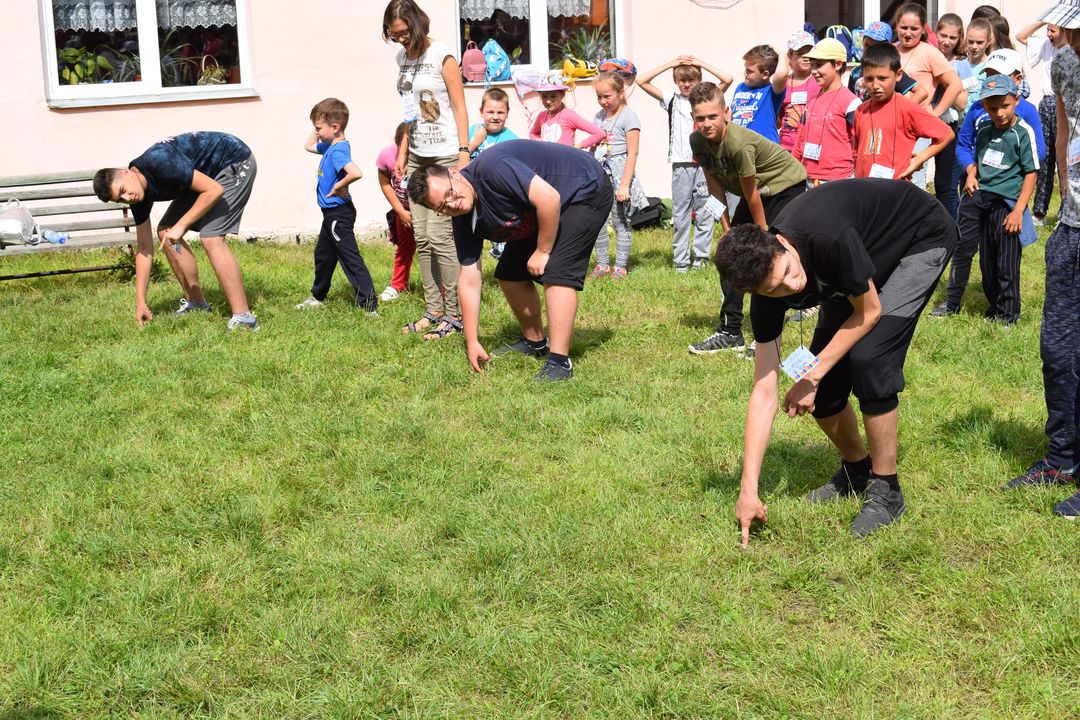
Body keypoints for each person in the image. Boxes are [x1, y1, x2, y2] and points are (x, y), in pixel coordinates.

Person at [715, 179, 957, 545]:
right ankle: (857, 471)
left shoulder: (826, 237)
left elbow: (870, 311)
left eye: (787, 272)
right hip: (858, 259)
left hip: (920, 234)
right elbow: (764, 391)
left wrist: (811, 375)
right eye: (775, 289)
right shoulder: (766, 291)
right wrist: (748, 489)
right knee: (826, 390)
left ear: (782, 243)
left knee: (870, 358)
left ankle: (887, 490)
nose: (791, 287)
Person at [406, 140, 614, 382]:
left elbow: (549, 198)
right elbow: (470, 279)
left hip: (584, 188)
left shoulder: (493, 169)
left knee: (557, 273)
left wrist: (543, 251)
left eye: (449, 193)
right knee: (510, 273)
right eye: (442, 207)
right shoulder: (462, 218)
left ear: (455, 174)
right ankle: (535, 342)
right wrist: (472, 341)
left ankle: (559, 363)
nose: (452, 204)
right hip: (542, 208)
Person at [1007, 1, 1080, 520]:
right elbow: (1064, 132)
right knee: (1058, 352)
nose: (1070, 41)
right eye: (1068, 30)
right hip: (1071, 229)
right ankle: (1063, 459)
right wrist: (1064, 200)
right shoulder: (1066, 63)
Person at [684, 81, 807, 357]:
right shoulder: (697, 141)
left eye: (713, 116)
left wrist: (764, 236)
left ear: (726, 113)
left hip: (785, 186)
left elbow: (752, 195)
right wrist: (726, 229)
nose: (706, 123)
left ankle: (767, 335)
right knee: (731, 255)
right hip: (756, 194)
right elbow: (714, 187)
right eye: (700, 118)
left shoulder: (738, 144)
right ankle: (730, 331)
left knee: (768, 258)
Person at [92, 131, 259, 330]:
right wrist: (141, 301)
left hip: (234, 161)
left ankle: (244, 318)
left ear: (126, 173)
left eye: (123, 191)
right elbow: (144, 249)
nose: (127, 198)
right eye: (120, 199)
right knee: (166, 231)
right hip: (205, 175)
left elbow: (214, 190)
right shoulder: (137, 195)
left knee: (211, 237)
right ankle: (196, 303)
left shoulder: (160, 163)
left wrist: (181, 226)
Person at [930, 49, 1046, 318]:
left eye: (999, 76)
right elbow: (964, 146)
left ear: (1016, 83)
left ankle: (1006, 311)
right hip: (977, 191)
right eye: (988, 76)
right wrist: (971, 170)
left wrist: (1017, 204)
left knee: (1003, 257)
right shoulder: (979, 113)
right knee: (965, 247)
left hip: (1005, 198)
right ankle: (953, 302)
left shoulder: (1026, 116)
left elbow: (1035, 159)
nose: (992, 82)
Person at [384, 0, 468, 340]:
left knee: (441, 237)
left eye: (404, 32)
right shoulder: (402, 59)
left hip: (445, 155)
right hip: (418, 157)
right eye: (394, 34)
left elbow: (460, 108)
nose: (401, 39)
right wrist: (403, 150)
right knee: (421, 236)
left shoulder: (442, 56)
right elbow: (410, 111)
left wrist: (463, 152)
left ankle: (456, 315)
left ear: (418, 24)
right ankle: (433, 310)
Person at [638, 54, 732, 273]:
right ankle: (680, 261)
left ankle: (701, 258)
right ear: (676, 81)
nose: (687, 84)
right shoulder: (671, 99)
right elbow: (642, 81)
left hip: (705, 163)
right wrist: (671, 64)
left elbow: (727, 79)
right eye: (682, 80)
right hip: (682, 164)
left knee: (706, 210)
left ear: (699, 79)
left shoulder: (706, 100)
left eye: (692, 79)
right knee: (681, 213)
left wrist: (700, 63)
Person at [961, 76, 1038, 325]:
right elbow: (979, 160)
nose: (999, 113)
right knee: (987, 263)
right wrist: (971, 174)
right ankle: (994, 307)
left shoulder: (1022, 132)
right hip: (983, 202)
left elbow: (1031, 173)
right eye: (992, 108)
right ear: (984, 106)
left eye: (1005, 106)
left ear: (1016, 100)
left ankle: (1008, 315)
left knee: (1007, 264)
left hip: (1008, 206)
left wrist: (1018, 211)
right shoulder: (984, 130)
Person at [294, 98, 377, 313]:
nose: (316, 132)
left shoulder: (338, 150)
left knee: (349, 257)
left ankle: (369, 306)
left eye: (319, 128)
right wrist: (317, 125)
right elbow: (308, 146)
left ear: (335, 127)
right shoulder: (330, 146)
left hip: (338, 215)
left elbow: (356, 172)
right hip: (331, 215)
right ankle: (318, 296)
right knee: (324, 255)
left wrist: (338, 186)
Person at [851, 43, 953, 180]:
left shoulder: (907, 108)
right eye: (869, 79)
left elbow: (946, 135)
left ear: (898, 75)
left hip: (895, 188)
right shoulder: (861, 111)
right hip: (864, 187)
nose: (875, 85)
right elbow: (856, 151)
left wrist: (918, 159)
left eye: (882, 78)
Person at [893, 3, 964, 189]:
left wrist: (935, 113)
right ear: (896, 26)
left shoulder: (929, 52)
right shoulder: (890, 51)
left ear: (923, 29)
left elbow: (955, 85)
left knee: (913, 178)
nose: (908, 33)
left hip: (916, 125)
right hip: (892, 123)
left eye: (914, 28)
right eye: (904, 27)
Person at [590, 71, 647, 281]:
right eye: (599, 97)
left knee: (620, 221)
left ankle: (620, 267)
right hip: (601, 174)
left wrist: (624, 185)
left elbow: (633, 153)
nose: (603, 101)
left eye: (607, 96)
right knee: (598, 221)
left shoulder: (628, 116)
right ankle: (602, 264)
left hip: (619, 175)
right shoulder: (598, 117)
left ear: (621, 93)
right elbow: (594, 146)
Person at [1017, 19, 1066, 227]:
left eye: (1052, 30)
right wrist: (1044, 19)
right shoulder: (1046, 45)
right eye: (1047, 30)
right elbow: (1021, 36)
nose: (1048, 34)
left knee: (1064, 160)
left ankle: (1065, 212)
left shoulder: (1072, 50)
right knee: (1044, 157)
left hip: (1065, 103)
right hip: (1047, 103)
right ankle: (1039, 211)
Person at [792, 38, 861, 185]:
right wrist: (793, 166)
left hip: (837, 180)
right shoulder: (811, 100)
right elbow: (801, 137)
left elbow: (860, 143)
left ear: (838, 64)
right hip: (808, 177)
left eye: (819, 65)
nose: (814, 71)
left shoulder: (851, 102)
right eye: (812, 66)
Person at [468, 87, 519, 259]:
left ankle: (500, 250)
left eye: (500, 112)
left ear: (507, 113)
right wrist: (475, 142)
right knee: (471, 237)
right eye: (490, 112)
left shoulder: (512, 139)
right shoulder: (473, 131)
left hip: (496, 196)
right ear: (481, 112)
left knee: (499, 234)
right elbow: (460, 158)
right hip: (472, 194)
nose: (495, 117)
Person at [932, 13, 969, 216]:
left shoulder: (961, 64)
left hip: (950, 125)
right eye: (943, 35)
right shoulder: (928, 54)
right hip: (925, 120)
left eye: (952, 37)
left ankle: (950, 227)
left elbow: (962, 103)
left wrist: (946, 78)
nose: (946, 41)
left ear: (959, 38)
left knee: (945, 184)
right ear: (936, 33)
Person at [376, 123, 417, 303]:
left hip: (428, 213)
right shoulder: (387, 155)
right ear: (398, 141)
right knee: (404, 249)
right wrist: (400, 211)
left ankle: (443, 288)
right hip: (404, 212)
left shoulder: (425, 159)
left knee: (434, 251)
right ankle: (398, 285)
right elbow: (385, 183)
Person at [848, 21, 928, 105]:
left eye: (876, 46)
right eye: (867, 45)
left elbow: (921, 92)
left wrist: (903, 110)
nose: (870, 50)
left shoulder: (890, 71)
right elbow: (851, 101)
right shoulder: (855, 72)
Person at [729, 44, 789, 144]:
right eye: (745, 69)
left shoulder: (771, 92)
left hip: (763, 147)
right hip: (740, 145)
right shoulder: (741, 87)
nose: (744, 73)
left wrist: (781, 54)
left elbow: (782, 74)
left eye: (750, 71)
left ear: (765, 74)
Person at [528, 82, 606, 149]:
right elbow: (533, 133)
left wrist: (576, 148)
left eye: (553, 96)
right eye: (544, 97)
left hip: (565, 160)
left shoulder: (569, 115)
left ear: (562, 95)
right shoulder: (541, 116)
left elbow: (599, 133)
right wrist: (539, 141)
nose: (548, 101)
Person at [779, 31, 821, 154]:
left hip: (811, 147)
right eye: (801, 53)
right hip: (786, 147)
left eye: (809, 53)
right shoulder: (783, 83)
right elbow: (778, 117)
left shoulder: (820, 81)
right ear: (790, 55)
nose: (806, 58)